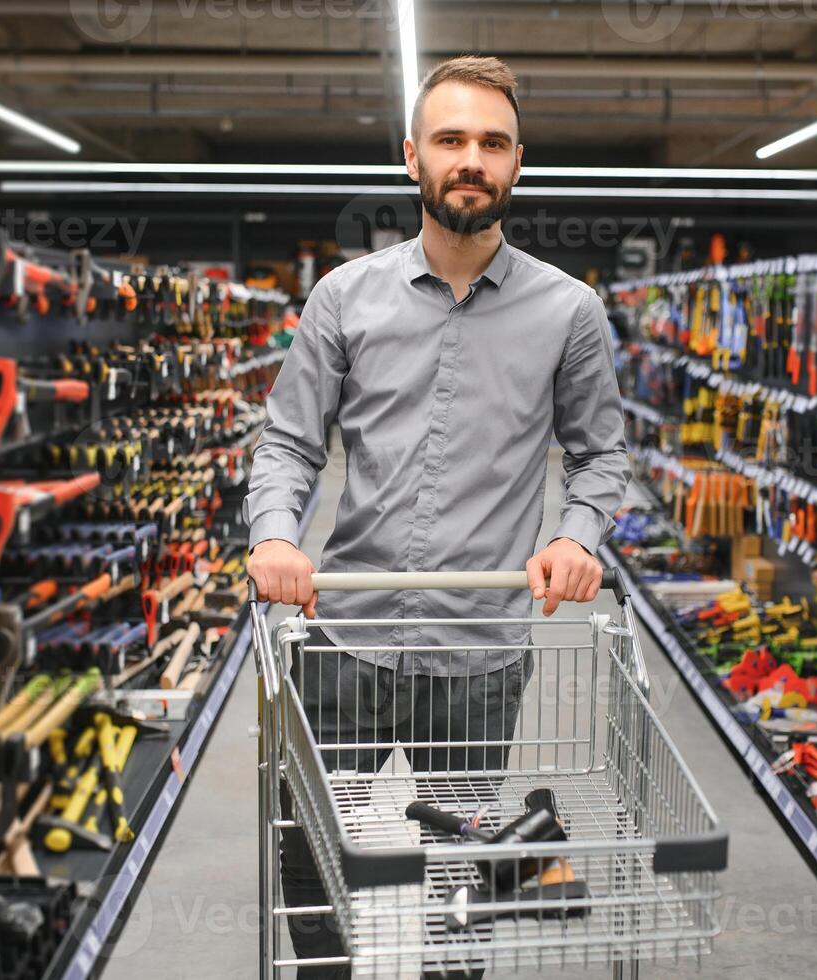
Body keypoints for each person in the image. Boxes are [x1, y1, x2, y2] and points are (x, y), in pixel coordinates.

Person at [244, 55, 630, 978]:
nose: (471, 158)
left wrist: (578, 534)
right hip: (345, 640)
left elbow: (600, 455)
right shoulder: (344, 297)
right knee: (313, 856)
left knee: (463, 865)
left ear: (516, 164)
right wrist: (273, 534)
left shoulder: (568, 311)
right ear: (412, 155)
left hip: (479, 654)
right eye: (451, 139)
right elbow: (289, 443)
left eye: (491, 143)